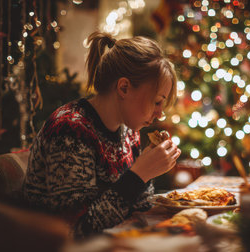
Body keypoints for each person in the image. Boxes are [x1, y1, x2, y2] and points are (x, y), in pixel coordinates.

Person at [22, 31, 181, 238]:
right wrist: (140, 174)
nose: (160, 113)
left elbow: (138, 206)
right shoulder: (70, 129)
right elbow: (76, 230)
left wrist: (148, 173)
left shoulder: (129, 130)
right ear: (124, 87)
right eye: (157, 101)